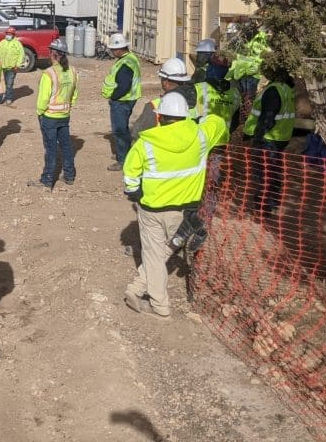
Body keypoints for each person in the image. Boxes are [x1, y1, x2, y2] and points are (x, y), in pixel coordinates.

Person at [122, 92, 228, 318]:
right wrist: (202, 120)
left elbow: (130, 173)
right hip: (183, 210)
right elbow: (218, 122)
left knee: (153, 253)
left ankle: (159, 305)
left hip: (151, 208)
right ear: (187, 116)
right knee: (171, 246)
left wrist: (134, 192)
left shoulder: (146, 143)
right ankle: (137, 287)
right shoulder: (200, 136)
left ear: (159, 117)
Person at [28, 38, 78, 190]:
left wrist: (39, 112)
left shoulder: (49, 74)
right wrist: (68, 107)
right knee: (66, 146)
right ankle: (69, 175)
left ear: (54, 54)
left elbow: (43, 98)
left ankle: (47, 180)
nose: (49, 54)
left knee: (50, 149)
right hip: (64, 115)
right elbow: (75, 93)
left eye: (50, 52)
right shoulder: (73, 71)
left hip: (50, 116)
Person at [245, 66, 295, 214]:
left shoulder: (273, 90)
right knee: (273, 171)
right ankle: (270, 203)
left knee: (264, 173)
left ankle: (264, 206)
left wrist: (257, 138)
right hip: (280, 137)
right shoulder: (286, 88)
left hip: (268, 139)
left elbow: (268, 117)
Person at [100, 33, 142, 170]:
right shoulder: (130, 59)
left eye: (112, 49)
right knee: (122, 128)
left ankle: (123, 160)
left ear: (119, 49)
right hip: (128, 99)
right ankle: (123, 152)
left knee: (119, 130)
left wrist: (114, 97)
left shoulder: (126, 64)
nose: (111, 52)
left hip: (122, 101)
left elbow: (124, 86)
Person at [131, 58, 198, 138]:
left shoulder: (153, 106)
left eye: (161, 78)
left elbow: (136, 134)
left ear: (165, 82)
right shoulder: (196, 101)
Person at [0, 27, 26, 106]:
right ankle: (0, 98)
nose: (8, 35)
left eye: (10, 34)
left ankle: (9, 98)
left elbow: (21, 55)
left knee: (9, 84)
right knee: (0, 83)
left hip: (12, 68)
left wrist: (17, 65)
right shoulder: (2, 42)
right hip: (1, 67)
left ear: (13, 35)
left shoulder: (17, 44)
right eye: (7, 33)